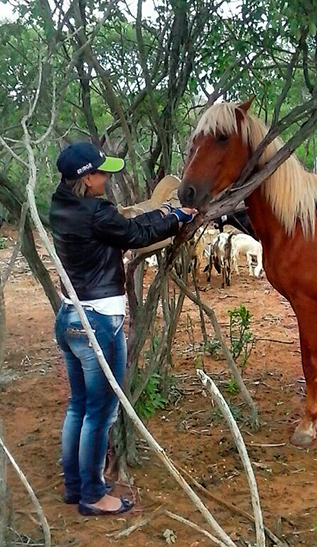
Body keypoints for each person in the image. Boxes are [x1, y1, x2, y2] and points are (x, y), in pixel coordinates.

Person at [50, 142, 196, 516]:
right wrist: (176, 217)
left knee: (79, 406)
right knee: (100, 412)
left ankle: (74, 486)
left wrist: (162, 214)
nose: (107, 177)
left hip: (69, 317)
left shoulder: (60, 205)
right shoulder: (96, 212)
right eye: (101, 172)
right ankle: (93, 495)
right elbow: (133, 233)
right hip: (99, 322)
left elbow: (124, 227)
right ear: (86, 178)